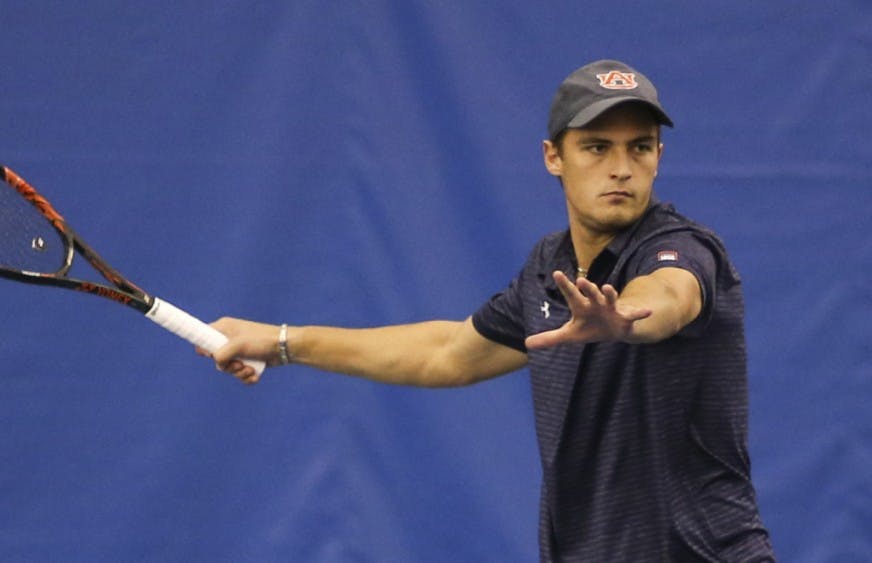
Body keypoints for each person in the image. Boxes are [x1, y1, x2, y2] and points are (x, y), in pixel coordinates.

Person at [202, 59, 776, 561]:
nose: (621, 167)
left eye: (639, 147)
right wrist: (284, 341)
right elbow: (447, 352)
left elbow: (671, 295)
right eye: (597, 147)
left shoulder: (683, 249)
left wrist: (625, 319)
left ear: (658, 156)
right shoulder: (548, 269)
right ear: (554, 157)